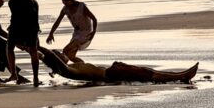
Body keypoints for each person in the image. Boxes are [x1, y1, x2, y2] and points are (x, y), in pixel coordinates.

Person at [38, 47, 198, 84]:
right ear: (58, 61)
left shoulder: (75, 65)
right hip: (111, 75)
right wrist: (39, 47)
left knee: (146, 71)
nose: (63, 53)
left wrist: (30, 47)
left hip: (112, 70)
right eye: (60, 54)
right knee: (145, 73)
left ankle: (178, 74)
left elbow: (47, 58)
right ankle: (181, 76)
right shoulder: (68, 71)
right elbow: (51, 58)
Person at [46, 0, 97, 64]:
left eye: (67, 0)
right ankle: (84, 66)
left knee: (65, 50)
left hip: (86, 33)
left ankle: (57, 70)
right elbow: (57, 22)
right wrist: (51, 33)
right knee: (71, 56)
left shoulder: (81, 7)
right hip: (76, 34)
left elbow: (94, 19)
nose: (64, 2)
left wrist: (93, 33)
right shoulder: (65, 9)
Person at [6, 0, 40, 86]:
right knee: (34, 51)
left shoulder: (12, 1)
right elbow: (35, 18)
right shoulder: (34, 2)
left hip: (16, 28)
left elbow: (15, 15)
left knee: (9, 48)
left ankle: (14, 74)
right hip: (31, 29)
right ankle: (35, 77)